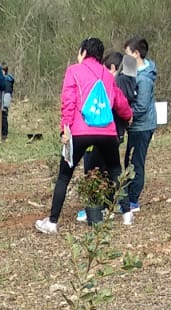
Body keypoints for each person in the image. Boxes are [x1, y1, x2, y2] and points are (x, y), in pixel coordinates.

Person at [35, 38, 131, 235]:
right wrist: (129, 116)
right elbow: (118, 100)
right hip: (106, 131)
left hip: (80, 131)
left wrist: (65, 128)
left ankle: (52, 222)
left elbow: (68, 101)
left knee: (64, 176)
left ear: (83, 52)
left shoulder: (74, 71)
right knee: (115, 170)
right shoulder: (107, 74)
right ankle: (127, 213)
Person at [120, 38, 157, 225]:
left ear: (136, 54)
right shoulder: (132, 72)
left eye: (127, 53)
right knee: (129, 160)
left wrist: (125, 114)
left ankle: (133, 201)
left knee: (136, 162)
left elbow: (141, 107)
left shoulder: (144, 79)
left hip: (142, 127)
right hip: (135, 126)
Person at [0, 63, 16, 141]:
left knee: (3, 118)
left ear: (4, 71)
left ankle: (4, 134)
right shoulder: (0, 79)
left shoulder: (7, 81)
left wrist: (5, 105)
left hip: (4, 103)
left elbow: (8, 94)